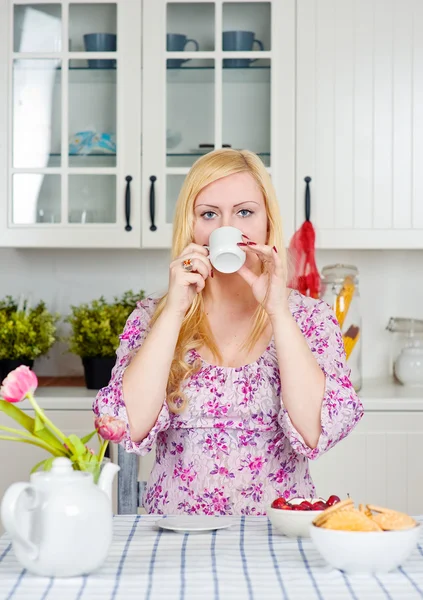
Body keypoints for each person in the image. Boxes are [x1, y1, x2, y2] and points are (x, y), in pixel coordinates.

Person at [93, 149, 364, 515]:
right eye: (209, 214)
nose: (227, 229)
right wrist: (174, 311)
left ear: (268, 222)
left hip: (279, 533)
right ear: (190, 227)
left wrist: (278, 313)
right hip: (178, 536)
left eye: (245, 212)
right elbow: (126, 425)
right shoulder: (151, 317)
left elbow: (316, 431)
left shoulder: (308, 318)